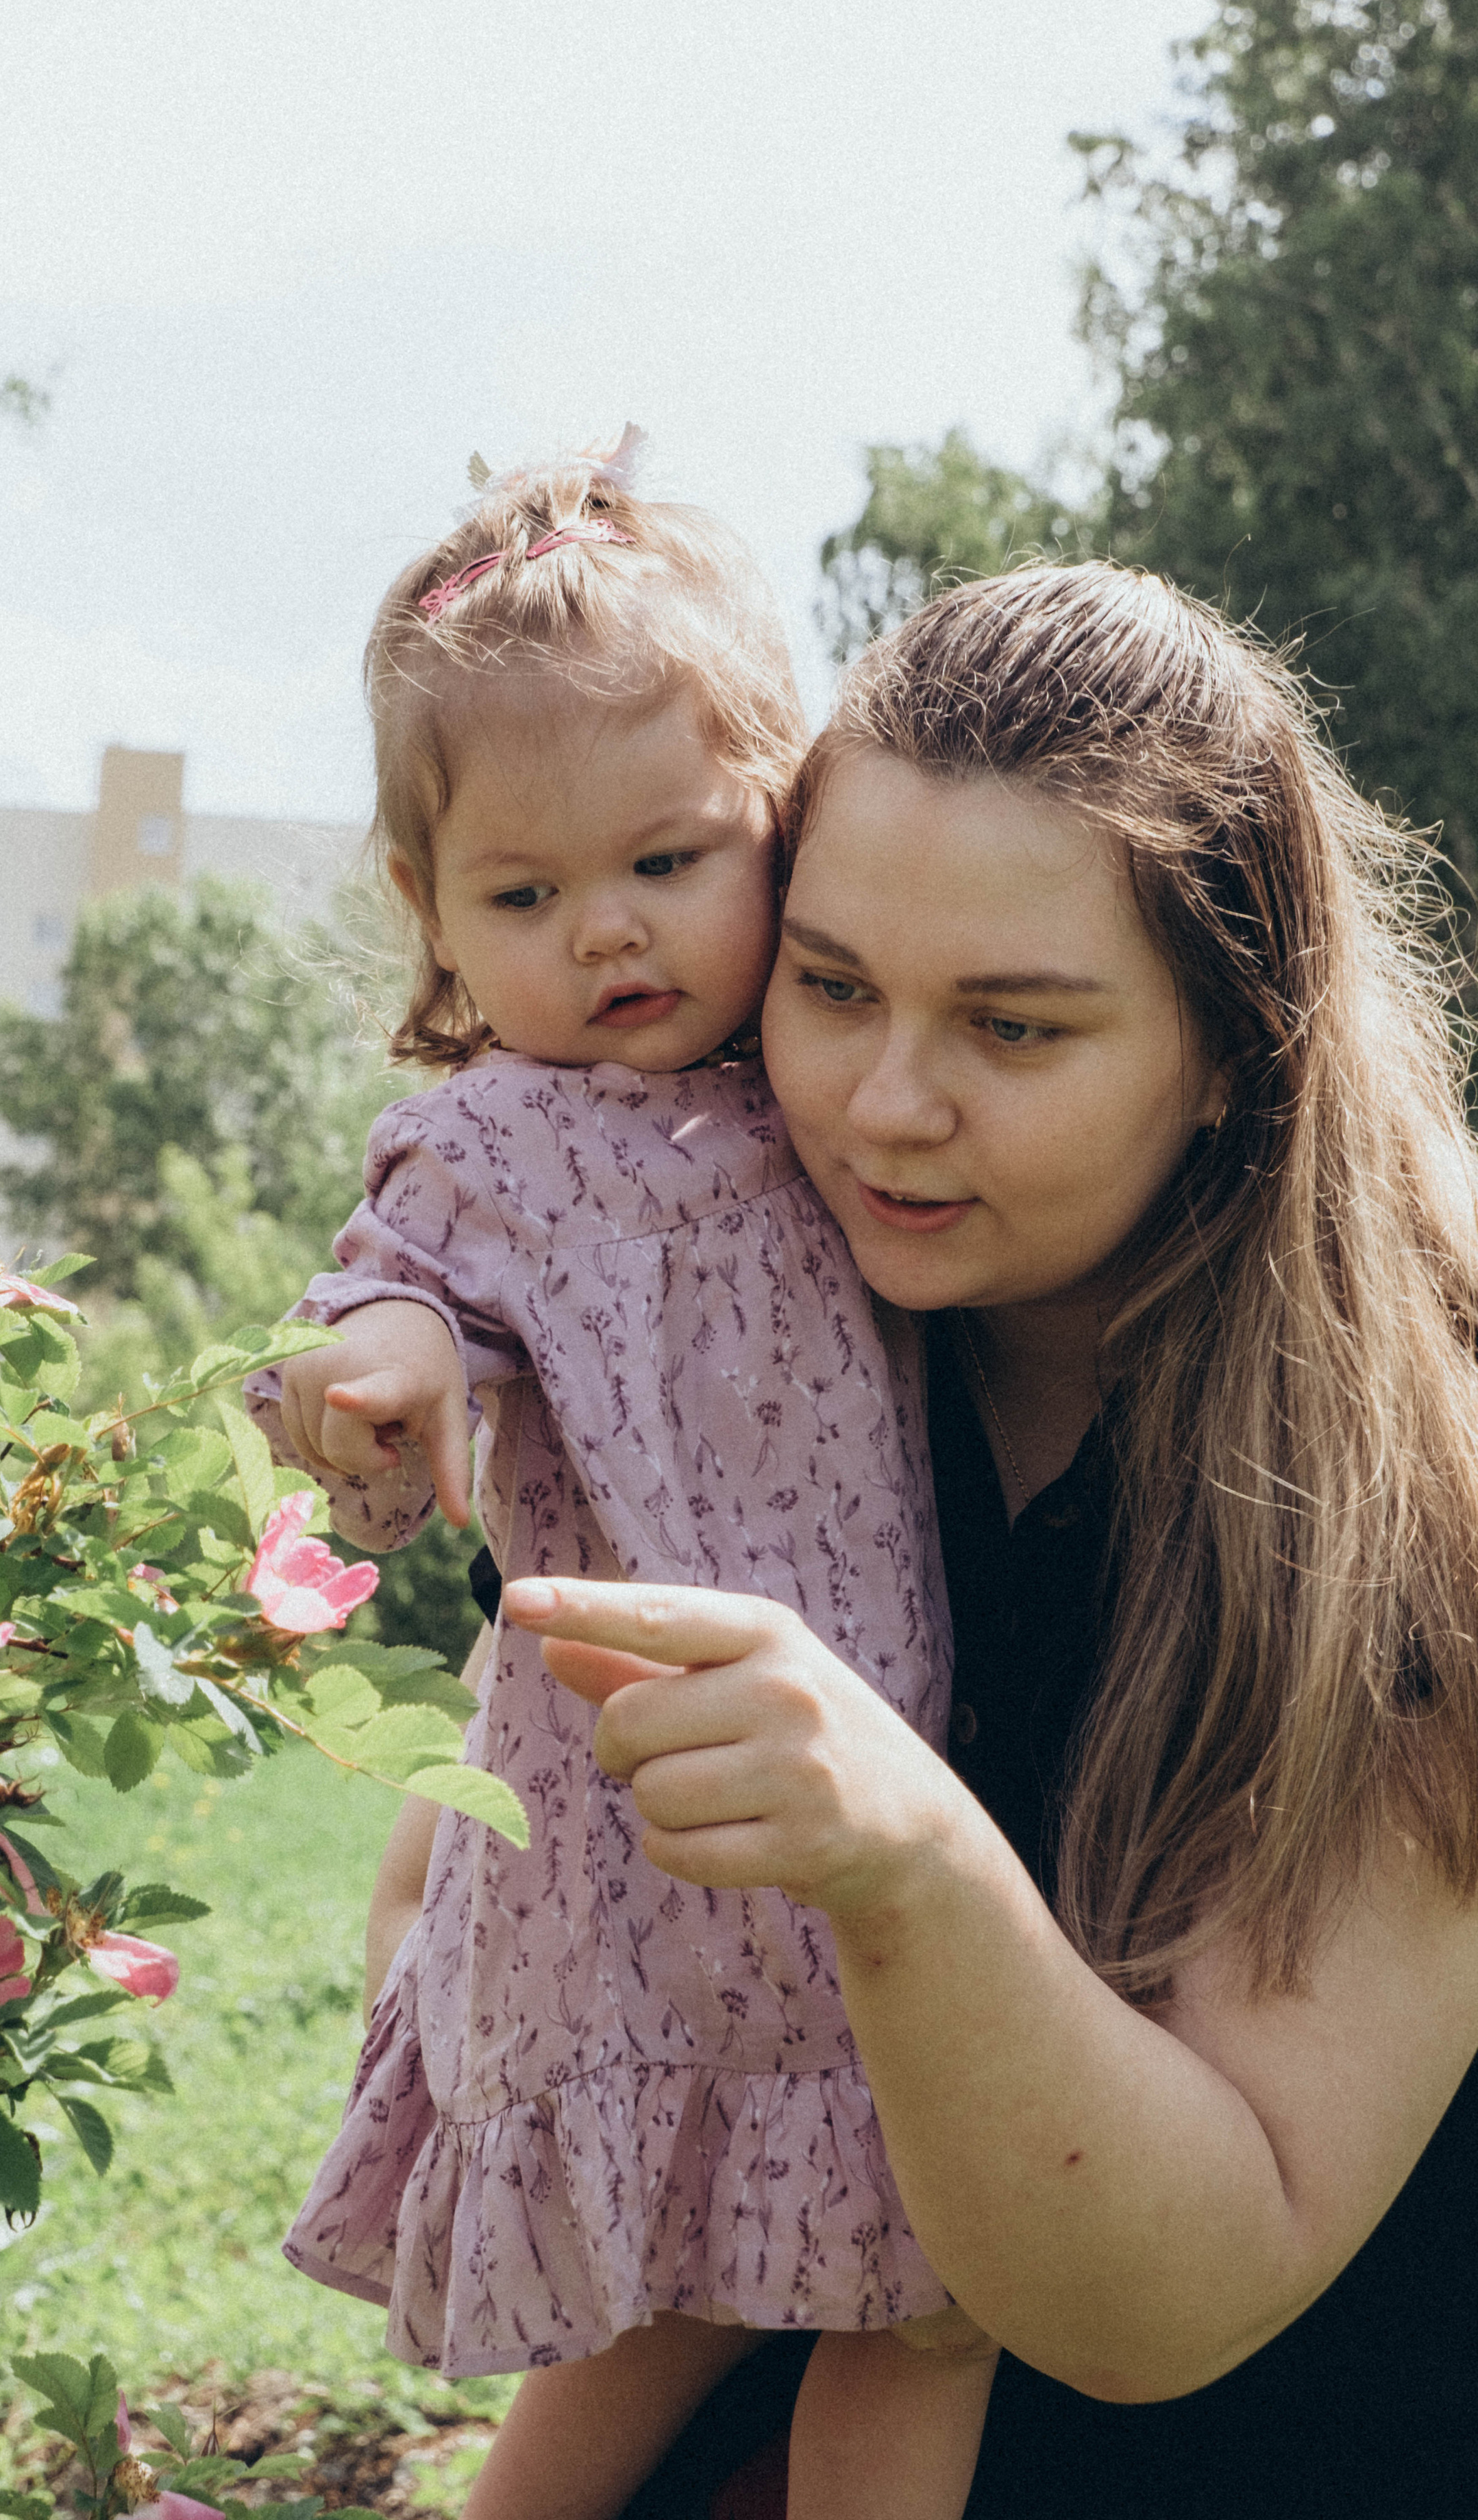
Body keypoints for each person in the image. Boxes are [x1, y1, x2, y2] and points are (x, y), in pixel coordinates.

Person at [482, 562, 1478, 2518]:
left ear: (1234, 1058)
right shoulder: (720, 1326)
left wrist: (908, 1856)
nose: (886, 1105)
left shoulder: (1415, 1501)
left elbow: (1175, 2301)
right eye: (831, 985)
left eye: (1015, 1031)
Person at [251, 441, 994, 2520]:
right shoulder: (500, 1148)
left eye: (671, 863)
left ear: (788, 826)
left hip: (890, 1798)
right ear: (432, 916)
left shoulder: (840, 1091)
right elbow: (398, 1300)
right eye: (523, 895)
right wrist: (382, 1381)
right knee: (682, 2311)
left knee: (919, 2294)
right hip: (645, 1849)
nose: (610, 935)